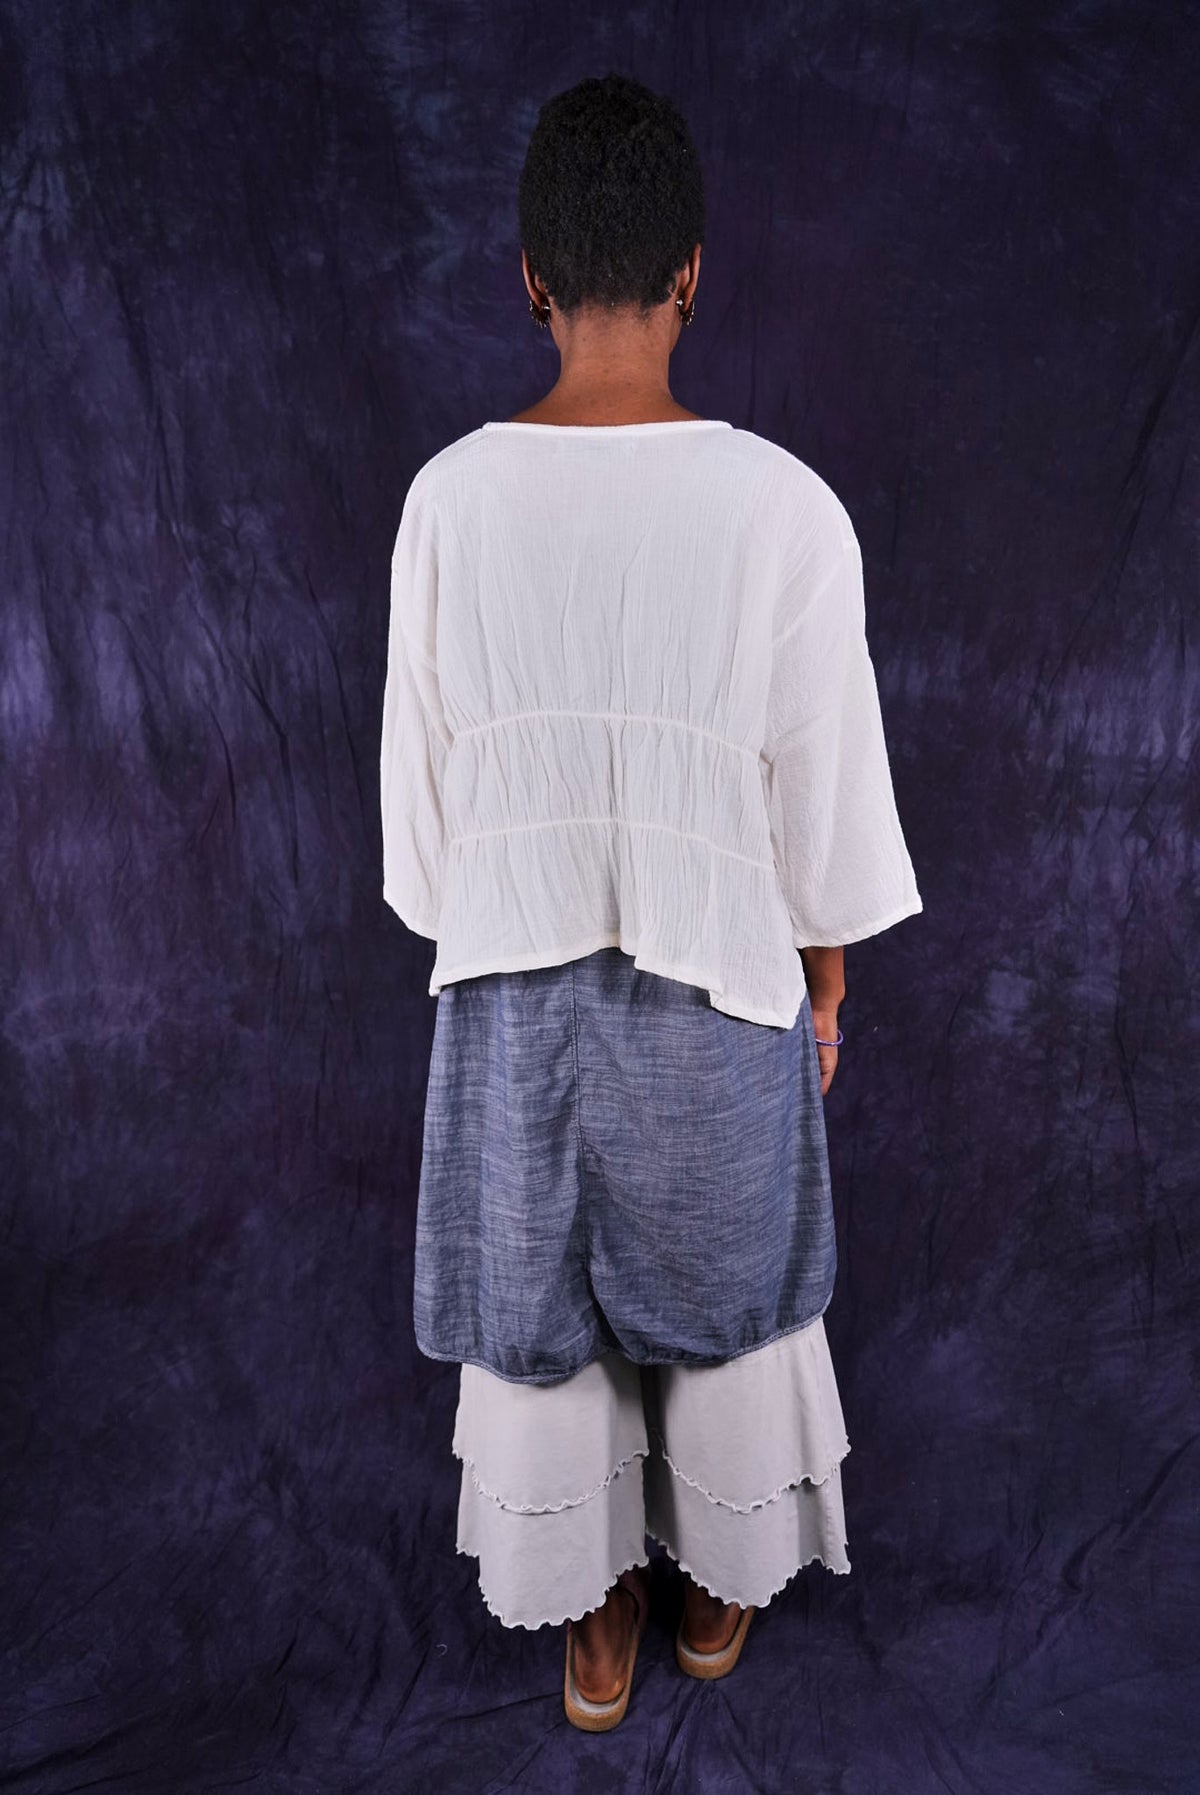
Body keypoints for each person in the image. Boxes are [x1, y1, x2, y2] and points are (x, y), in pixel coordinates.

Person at [379, 71, 923, 1731]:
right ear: (693, 273)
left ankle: (594, 1615)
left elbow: (425, 838)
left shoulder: (448, 501)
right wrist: (823, 983)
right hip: (720, 984)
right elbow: (822, 794)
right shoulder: (786, 508)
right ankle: (708, 1586)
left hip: (515, 991)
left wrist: (513, 905)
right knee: (731, 1289)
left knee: (540, 1310)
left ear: (529, 281)